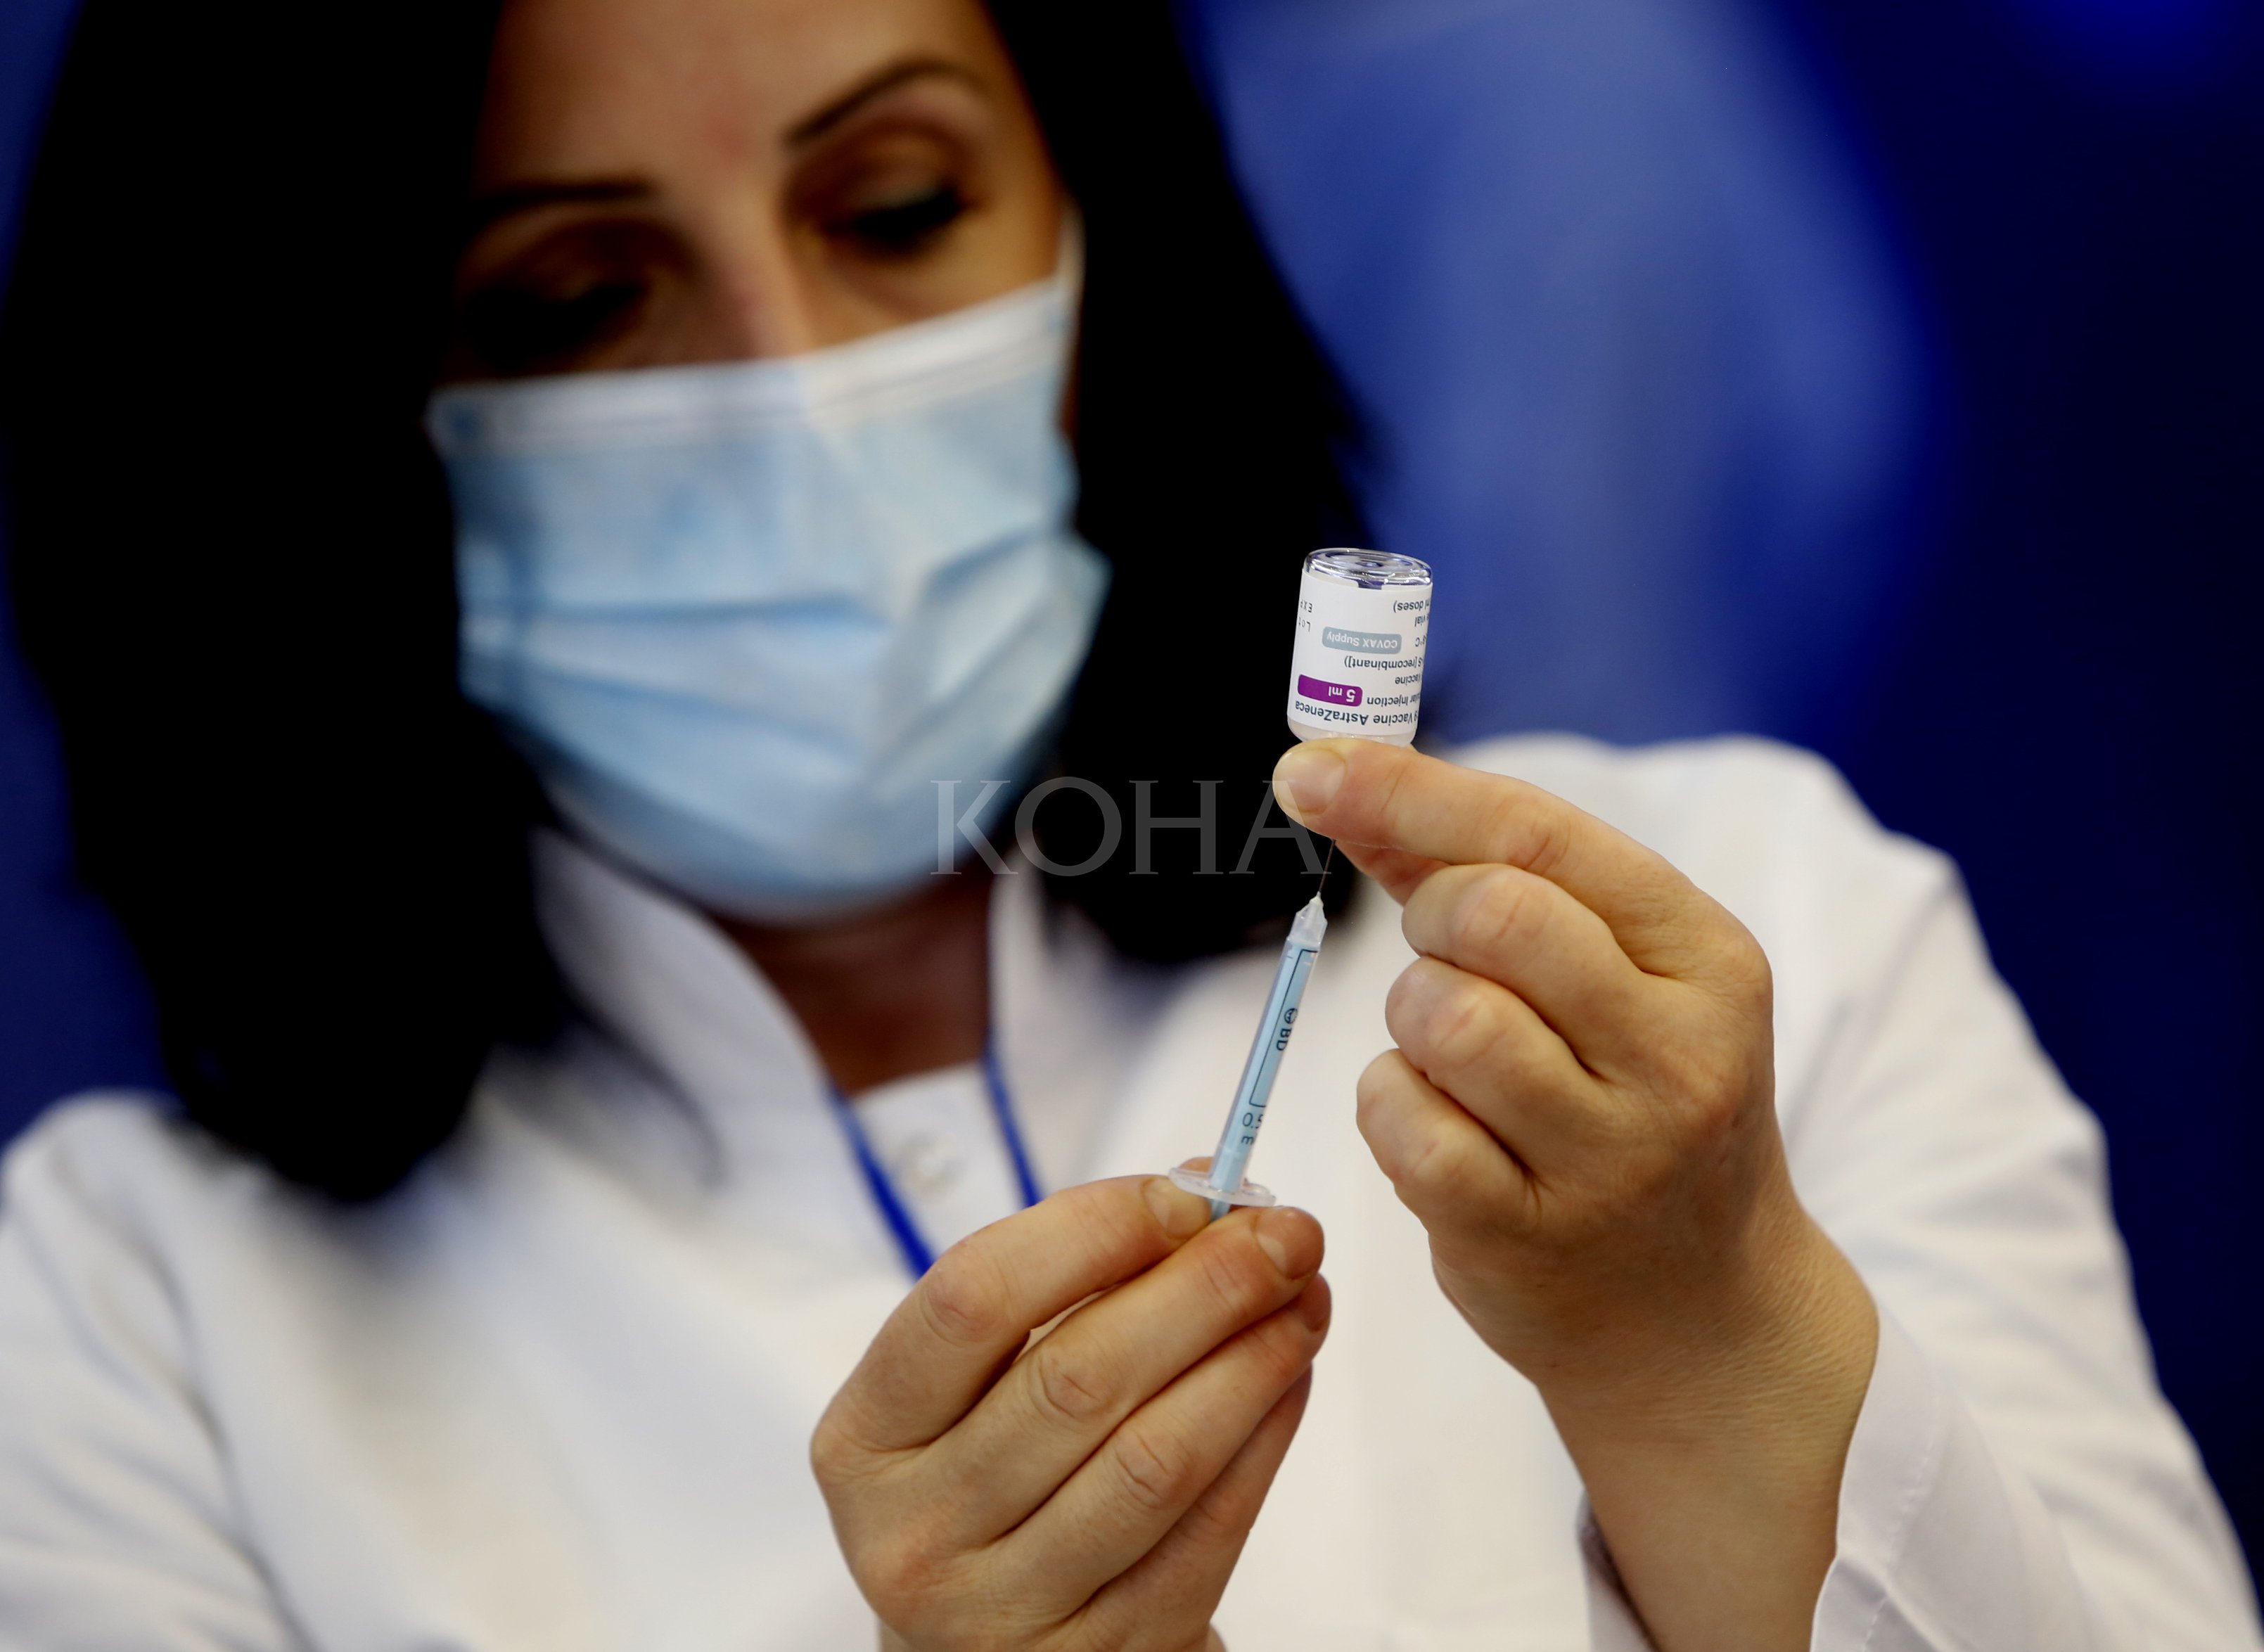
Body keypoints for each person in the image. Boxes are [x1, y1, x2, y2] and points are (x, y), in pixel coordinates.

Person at [0, 0, 2252, 1648]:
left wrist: (1716, 1330)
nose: (796, 390)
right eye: (575, 302)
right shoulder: (122, 1321)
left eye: (896, 207)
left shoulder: (1731, 938)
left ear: (1103, 224)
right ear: (294, 437)